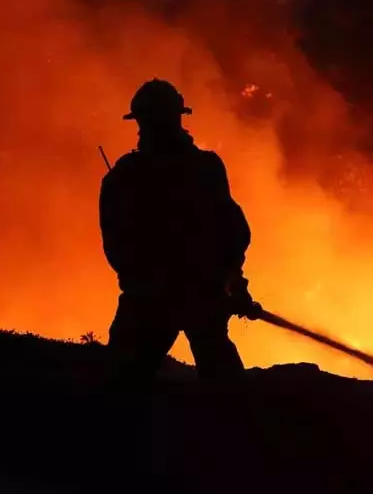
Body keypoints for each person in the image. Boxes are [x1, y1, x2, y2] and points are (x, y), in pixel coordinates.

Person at [99, 78, 259, 422]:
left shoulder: (124, 178)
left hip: (152, 301)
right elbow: (233, 231)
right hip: (193, 296)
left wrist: (230, 278)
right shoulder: (205, 169)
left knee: (121, 389)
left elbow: (117, 247)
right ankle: (242, 451)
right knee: (224, 382)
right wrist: (227, 278)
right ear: (178, 117)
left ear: (139, 122)